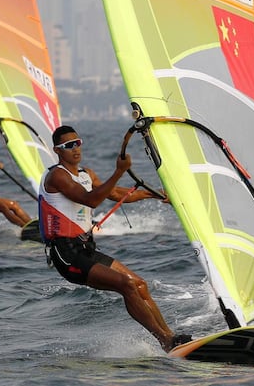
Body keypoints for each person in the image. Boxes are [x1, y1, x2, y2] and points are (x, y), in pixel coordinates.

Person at [39, 124, 191, 353]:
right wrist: (119, 171)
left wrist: (155, 194)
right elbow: (90, 200)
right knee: (126, 285)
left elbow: (115, 193)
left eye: (78, 143)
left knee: (139, 284)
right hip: (66, 255)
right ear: (57, 150)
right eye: (68, 146)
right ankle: (165, 341)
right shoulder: (57, 175)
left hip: (85, 250)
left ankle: (171, 337)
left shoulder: (86, 174)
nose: (75, 149)